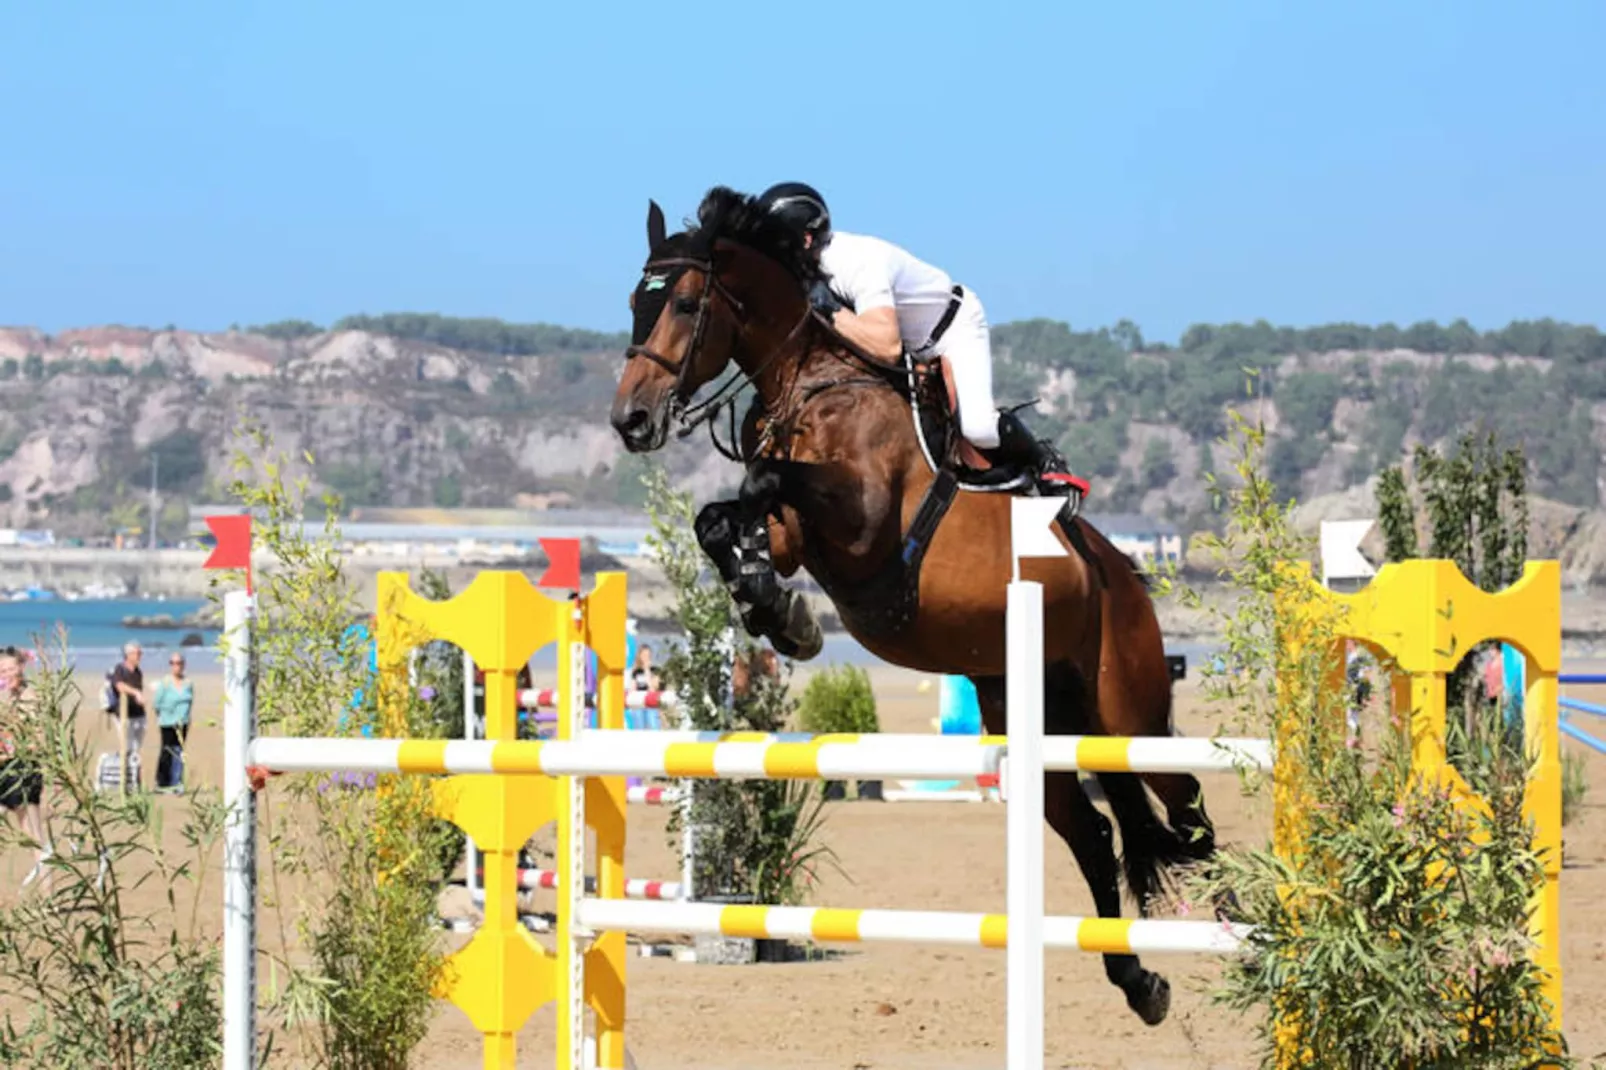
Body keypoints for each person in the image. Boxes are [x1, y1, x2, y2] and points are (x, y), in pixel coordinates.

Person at [755, 181, 1080, 496]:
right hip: (910, 353)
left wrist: (830, 310)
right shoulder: (811, 271)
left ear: (807, 240)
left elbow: (886, 345)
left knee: (977, 426)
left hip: (952, 330)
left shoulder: (855, 263)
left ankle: (1044, 460)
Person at [0, 646, 48, 887]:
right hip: (5, 772)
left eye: (10, 669)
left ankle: (50, 899)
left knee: (34, 836)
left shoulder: (31, 696)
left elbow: (37, 740)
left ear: (21, 667)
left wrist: (9, 750)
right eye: (1, 670)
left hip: (24, 771)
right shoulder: (8, 697)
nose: (6, 674)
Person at [153, 652, 193, 792]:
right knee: (167, 750)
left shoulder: (188, 683)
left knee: (179, 751)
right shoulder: (165, 682)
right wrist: (163, 715)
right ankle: (162, 782)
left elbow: (190, 701)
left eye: (179, 663)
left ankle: (177, 780)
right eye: (173, 663)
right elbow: (156, 703)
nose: (177, 666)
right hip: (167, 722)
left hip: (183, 722)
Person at [109, 640, 148, 766]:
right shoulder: (120, 669)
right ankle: (124, 773)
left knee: (136, 747)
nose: (139, 656)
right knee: (126, 746)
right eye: (137, 653)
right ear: (129, 655)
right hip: (124, 714)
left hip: (139, 714)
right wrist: (135, 692)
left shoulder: (138, 671)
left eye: (140, 653)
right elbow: (119, 686)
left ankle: (133, 774)